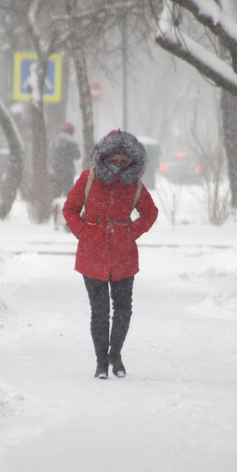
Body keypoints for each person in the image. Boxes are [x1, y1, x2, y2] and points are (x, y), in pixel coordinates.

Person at [63, 130, 159, 379]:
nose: (117, 165)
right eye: (113, 160)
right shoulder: (88, 179)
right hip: (91, 256)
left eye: (122, 160)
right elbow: (70, 209)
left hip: (124, 257)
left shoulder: (134, 184)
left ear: (131, 161)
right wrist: (84, 233)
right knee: (100, 311)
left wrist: (130, 232)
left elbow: (150, 213)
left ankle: (115, 355)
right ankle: (100, 362)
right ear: (103, 157)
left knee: (124, 309)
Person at [50, 122, 81, 200]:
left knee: (56, 193)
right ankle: (68, 210)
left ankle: (55, 209)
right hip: (68, 172)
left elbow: (50, 154)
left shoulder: (55, 140)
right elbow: (77, 155)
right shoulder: (71, 141)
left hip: (56, 171)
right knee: (69, 194)